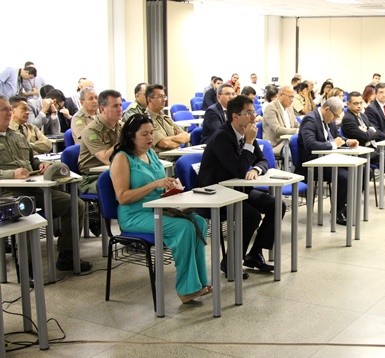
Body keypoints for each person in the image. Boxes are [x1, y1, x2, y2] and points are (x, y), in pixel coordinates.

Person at [110, 113, 210, 303]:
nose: (150, 138)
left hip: (158, 207)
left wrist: (171, 188)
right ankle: (186, 290)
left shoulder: (150, 154)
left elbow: (159, 184)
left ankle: (199, 282)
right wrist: (154, 185)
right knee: (184, 228)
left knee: (198, 222)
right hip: (135, 213)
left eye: (151, 133)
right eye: (144, 134)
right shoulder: (122, 158)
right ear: (131, 136)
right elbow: (122, 198)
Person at [0, 95, 89, 272]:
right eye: (4, 109)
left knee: (75, 204)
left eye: (10, 109)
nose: (9, 113)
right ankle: (26, 266)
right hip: (7, 194)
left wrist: (40, 165)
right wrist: (11, 173)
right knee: (25, 212)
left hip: (32, 187)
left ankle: (67, 255)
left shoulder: (17, 135)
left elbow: (31, 160)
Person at [198, 95, 283, 276]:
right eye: (249, 113)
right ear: (235, 116)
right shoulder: (223, 136)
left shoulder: (246, 133)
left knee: (276, 205)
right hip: (217, 192)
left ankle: (255, 254)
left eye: (254, 112)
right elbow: (239, 170)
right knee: (250, 216)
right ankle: (230, 263)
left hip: (238, 189)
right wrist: (250, 143)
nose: (254, 117)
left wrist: (256, 170)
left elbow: (263, 161)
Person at [296, 97, 359, 225]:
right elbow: (310, 144)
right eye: (335, 116)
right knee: (344, 176)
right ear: (327, 109)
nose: (335, 119)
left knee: (356, 170)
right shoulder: (310, 119)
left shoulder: (328, 119)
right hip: (312, 164)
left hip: (327, 160)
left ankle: (342, 206)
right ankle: (339, 212)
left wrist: (347, 141)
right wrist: (334, 145)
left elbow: (336, 136)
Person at [78, 89, 123, 194]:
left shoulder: (120, 126)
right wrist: (123, 140)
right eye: (115, 106)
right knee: (123, 186)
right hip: (92, 178)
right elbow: (106, 158)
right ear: (102, 109)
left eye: (120, 105)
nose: (120, 109)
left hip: (115, 171)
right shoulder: (91, 131)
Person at [145, 84, 190, 152]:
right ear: (150, 99)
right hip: (164, 159)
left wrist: (170, 139)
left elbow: (186, 136)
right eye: (160, 97)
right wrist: (178, 139)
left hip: (177, 153)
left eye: (164, 96)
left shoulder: (166, 118)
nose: (164, 100)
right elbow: (165, 143)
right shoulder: (146, 120)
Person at [262, 86, 299, 156]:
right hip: (277, 144)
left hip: (289, 140)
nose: (292, 100)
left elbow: (296, 124)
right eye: (290, 97)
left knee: (306, 145)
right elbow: (277, 129)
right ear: (281, 95)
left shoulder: (289, 107)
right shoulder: (270, 108)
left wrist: (304, 129)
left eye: (293, 97)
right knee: (296, 151)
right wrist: (297, 131)